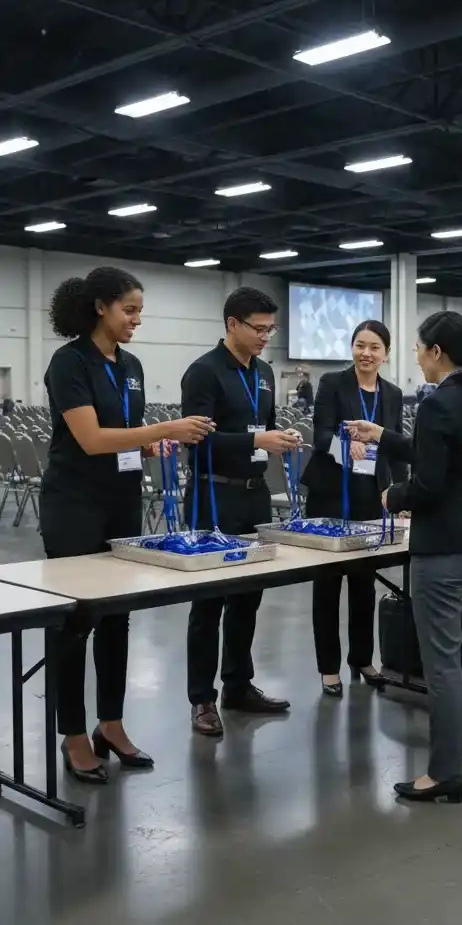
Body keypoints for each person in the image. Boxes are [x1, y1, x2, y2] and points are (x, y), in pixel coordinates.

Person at [40, 267, 214, 782]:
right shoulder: (68, 362)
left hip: (122, 501)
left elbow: (126, 435)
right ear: (100, 307)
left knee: (118, 617)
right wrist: (163, 428)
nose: (137, 319)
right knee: (74, 622)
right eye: (129, 310)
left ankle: (110, 723)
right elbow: (92, 439)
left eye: (140, 310)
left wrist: (149, 441)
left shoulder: (132, 365)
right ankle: (73, 733)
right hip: (74, 505)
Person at [347, 311, 462, 804]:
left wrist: (395, 495)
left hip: (444, 549)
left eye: (417, 347)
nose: (415, 355)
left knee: (442, 664)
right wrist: (383, 436)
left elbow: (431, 481)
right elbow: (442, 455)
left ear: (436, 352)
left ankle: (442, 772)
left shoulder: (437, 404)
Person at [181, 287, 299, 736]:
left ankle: (237, 684)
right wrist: (255, 441)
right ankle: (201, 698)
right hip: (213, 496)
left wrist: (277, 437)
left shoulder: (265, 372)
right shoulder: (204, 373)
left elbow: (262, 427)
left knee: (249, 596)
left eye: (271, 328)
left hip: (253, 494)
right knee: (208, 602)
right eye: (259, 328)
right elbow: (198, 439)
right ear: (232, 324)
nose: (266, 336)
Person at [302, 320, 407, 697]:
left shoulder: (392, 394)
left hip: (369, 496)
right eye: (360, 345)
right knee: (327, 586)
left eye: (374, 347)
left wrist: (400, 494)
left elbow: (394, 448)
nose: (366, 353)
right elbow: (321, 433)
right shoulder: (332, 383)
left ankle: (362, 658)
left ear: (386, 354)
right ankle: (328, 668)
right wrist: (343, 447)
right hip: (331, 494)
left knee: (364, 582)